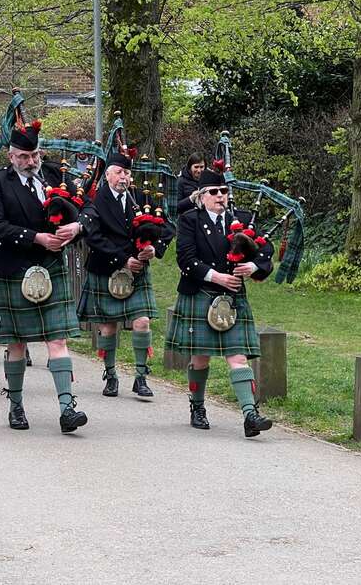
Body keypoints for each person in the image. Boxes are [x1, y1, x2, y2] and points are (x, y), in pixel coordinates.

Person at [0, 118, 88, 433]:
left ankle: (67, 408)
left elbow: (87, 206)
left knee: (58, 339)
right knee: (16, 344)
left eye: (35, 156)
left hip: (51, 268)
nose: (31, 162)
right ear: (11, 156)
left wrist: (77, 226)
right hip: (15, 267)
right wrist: (37, 237)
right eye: (24, 157)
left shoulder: (57, 175)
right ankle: (16, 405)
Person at [166, 167, 275, 437]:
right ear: (202, 196)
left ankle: (250, 415)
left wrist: (252, 267)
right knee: (200, 358)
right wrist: (218, 278)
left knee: (238, 357)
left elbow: (265, 252)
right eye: (214, 192)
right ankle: (198, 406)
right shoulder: (190, 220)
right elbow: (186, 259)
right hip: (201, 293)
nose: (220, 196)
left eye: (224, 191)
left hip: (233, 299)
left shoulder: (242, 221)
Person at [80, 152, 176, 399]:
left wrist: (156, 248)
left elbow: (167, 226)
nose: (124, 177)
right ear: (108, 174)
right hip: (105, 268)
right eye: (119, 172)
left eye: (127, 173)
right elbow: (93, 236)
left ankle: (141, 376)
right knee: (108, 328)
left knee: (142, 322)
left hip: (137, 274)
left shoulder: (141, 198)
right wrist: (123, 259)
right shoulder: (95, 200)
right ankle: (110, 375)